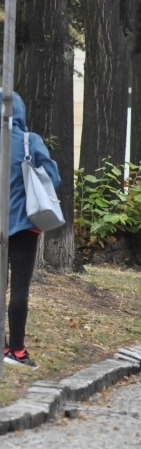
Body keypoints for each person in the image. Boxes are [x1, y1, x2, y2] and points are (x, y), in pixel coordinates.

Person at [3, 91, 61, 369]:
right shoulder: (30, 140)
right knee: (20, 289)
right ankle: (17, 351)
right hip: (25, 226)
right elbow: (54, 179)